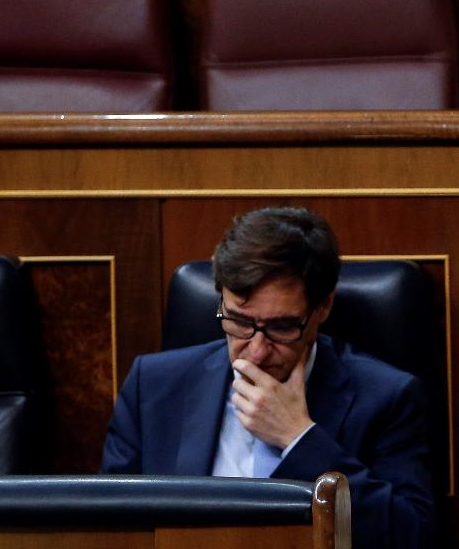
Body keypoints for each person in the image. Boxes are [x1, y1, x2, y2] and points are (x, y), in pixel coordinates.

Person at [101, 206, 433, 549]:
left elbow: (412, 536)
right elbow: (109, 527)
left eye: (282, 327)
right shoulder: (153, 386)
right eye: (240, 322)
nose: (256, 351)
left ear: (322, 308)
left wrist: (299, 438)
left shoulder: (388, 398)